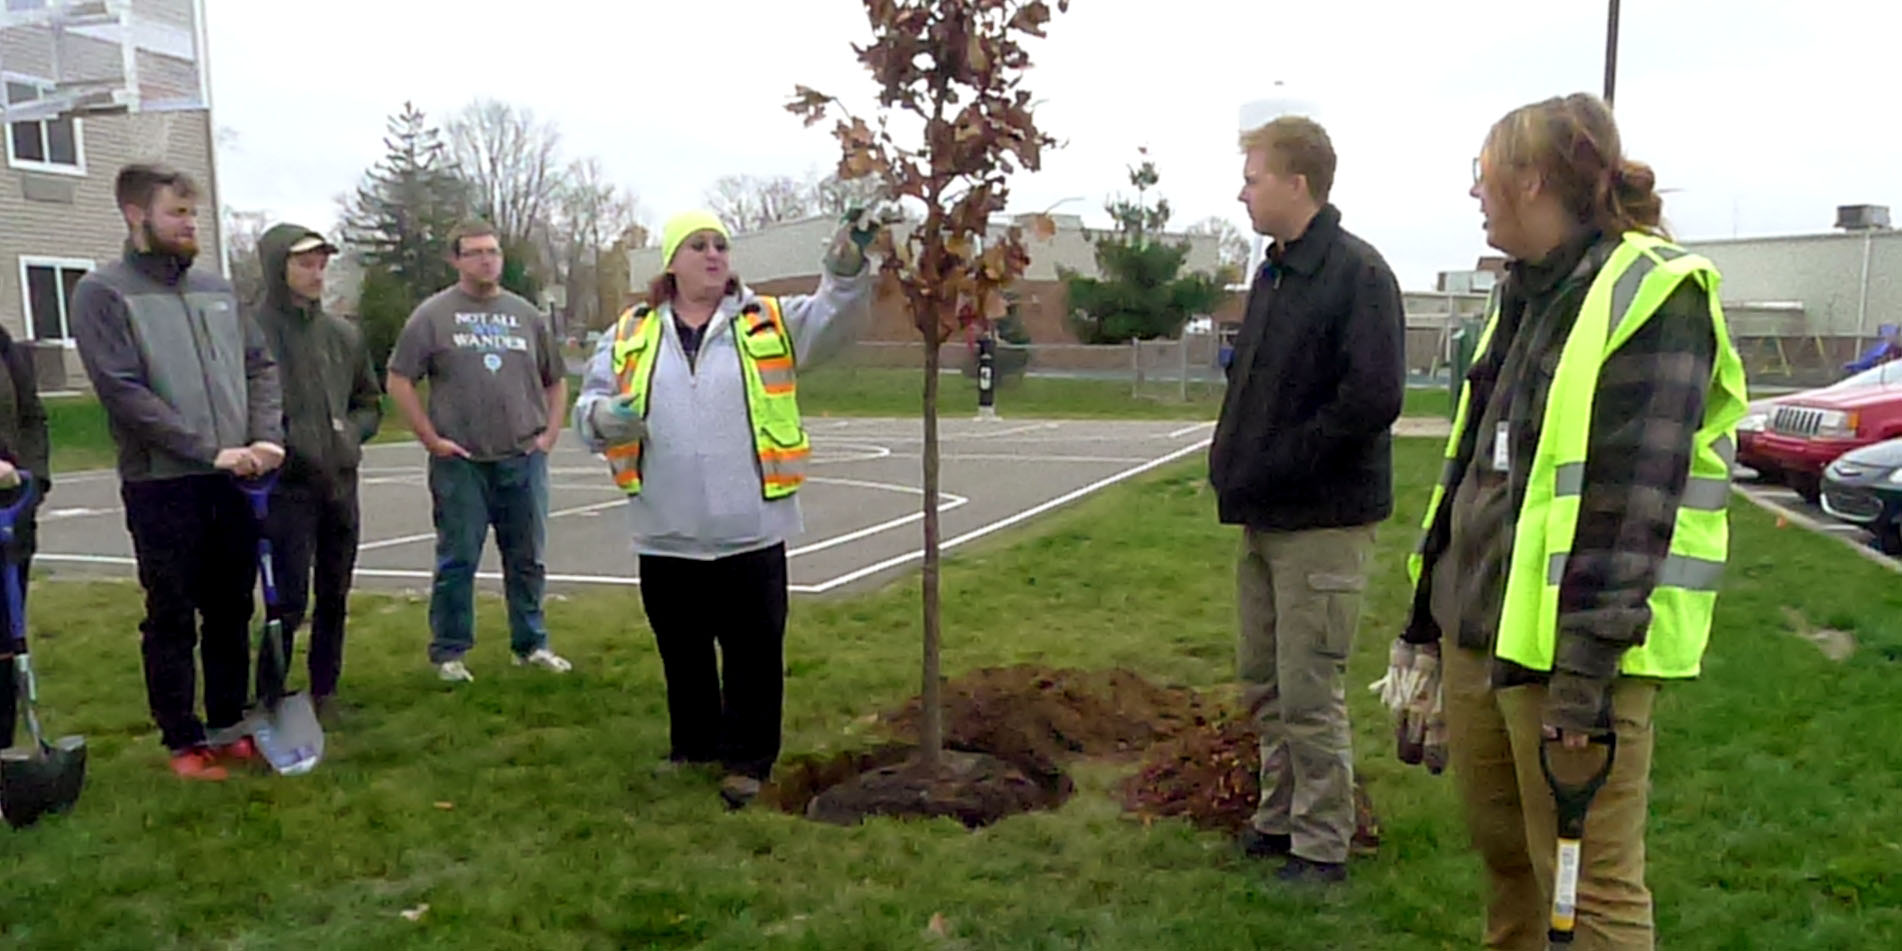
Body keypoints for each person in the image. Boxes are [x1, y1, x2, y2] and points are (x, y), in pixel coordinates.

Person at [1398, 93, 1747, 950]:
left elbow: (1635, 509)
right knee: (1510, 862)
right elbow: (1475, 470)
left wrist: (1585, 680)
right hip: (1484, 631)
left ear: (1533, 179)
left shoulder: (1652, 294)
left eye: (1482, 176)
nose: (1475, 196)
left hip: (1575, 655)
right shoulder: (1522, 294)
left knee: (1592, 888)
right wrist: (1425, 624)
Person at [574, 208, 878, 809]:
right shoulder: (631, 332)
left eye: (720, 245)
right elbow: (591, 403)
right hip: (665, 528)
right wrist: (602, 418)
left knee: (754, 652)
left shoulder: (766, 320)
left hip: (751, 528)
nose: (713, 255)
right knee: (681, 651)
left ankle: (748, 761)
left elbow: (833, 320)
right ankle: (694, 746)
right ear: (672, 263)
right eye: (698, 246)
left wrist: (845, 269)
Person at [1207, 115, 1405, 885]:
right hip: (1264, 517)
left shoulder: (1357, 275)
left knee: (1311, 688)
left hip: (1322, 523)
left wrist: (1279, 464)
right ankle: (1278, 816)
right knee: (1265, 681)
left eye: (1253, 178)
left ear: (1298, 183)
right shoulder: (1276, 271)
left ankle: (1322, 843)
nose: (1242, 192)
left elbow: (1371, 398)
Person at [71, 163, 285, 781]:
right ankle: (182, 739)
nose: (190, 225)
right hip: (163, 482)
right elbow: (122, 390)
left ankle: (228, 723)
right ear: (137, 216)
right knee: (171, 613)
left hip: (236, 475)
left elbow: (259, 366)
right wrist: (202, 448)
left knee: (229, 609)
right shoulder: (103, 293)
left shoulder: (218, 290)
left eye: (193, 213)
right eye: (177, 214)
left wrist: (265, 436)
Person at [386, 219, 570, 682]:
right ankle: (449, 651)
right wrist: (431, 438)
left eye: (493, 251)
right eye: (475, 252)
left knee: (527, 558)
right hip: (461, 462)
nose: (487, 260)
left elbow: (557, 379)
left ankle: (531, 644)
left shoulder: (526, 314)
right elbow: (400, 378)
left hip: (522, 457)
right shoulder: (432, 315)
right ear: (456, 259)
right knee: (458, 559)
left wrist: (548, 435)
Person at [252, 223, 383, 720]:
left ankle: (325, 690)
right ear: (277, 266)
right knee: (288, 597)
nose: (315, 273)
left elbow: (368, 401)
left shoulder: (342, 335)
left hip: (340, 481)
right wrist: (284, 445)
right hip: (283, 488)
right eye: (304, 263)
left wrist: (349, 434)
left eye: (321, 263)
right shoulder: (253, 331)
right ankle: (270, 695)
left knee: (335, 592)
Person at [0, 319, 50, 753]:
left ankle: (5, 748)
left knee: (6, 638)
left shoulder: (5, 348)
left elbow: (32, 418)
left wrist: (35, 480)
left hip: (10, 510)